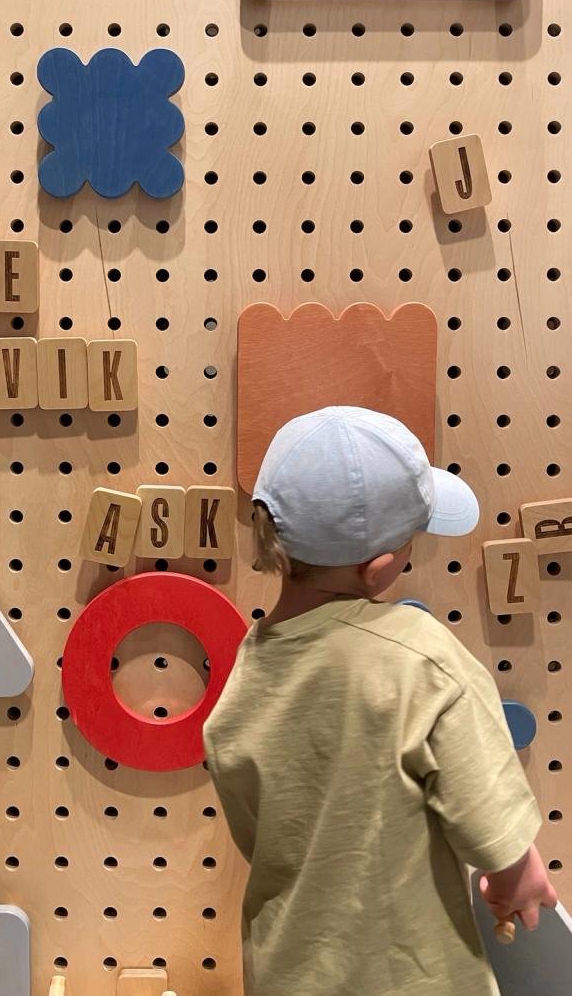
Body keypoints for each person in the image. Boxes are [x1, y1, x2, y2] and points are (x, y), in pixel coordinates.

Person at [203, 406, 556, 996]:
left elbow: (257, 828)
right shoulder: (421, 657)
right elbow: (486, 815)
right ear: (381, 569)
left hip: (287, 973)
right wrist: (518, 876)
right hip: (418, 978)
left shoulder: (252, 668)